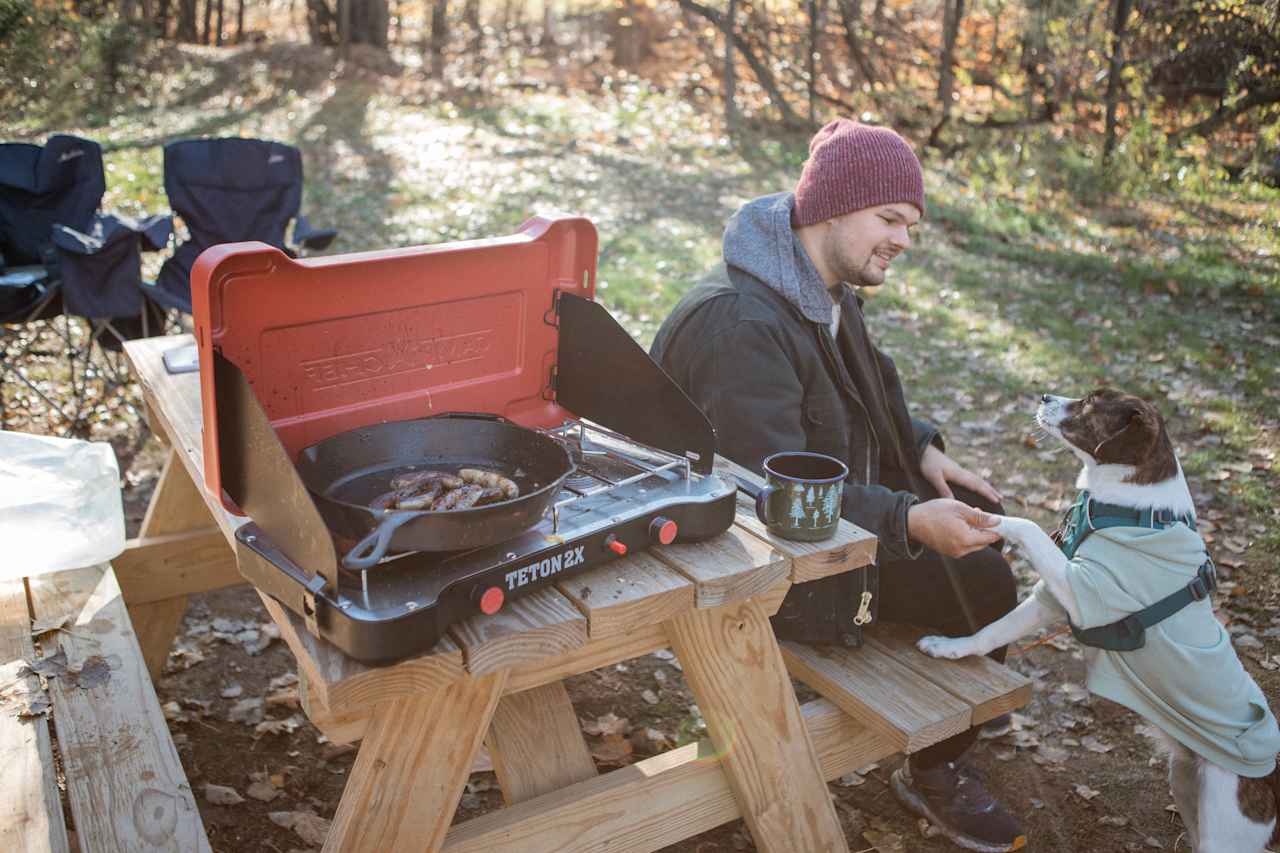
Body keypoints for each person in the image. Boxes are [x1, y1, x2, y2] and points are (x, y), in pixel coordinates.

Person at [649, 119, 1025, 853]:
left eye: (909, 224)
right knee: (986, 583)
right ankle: (936, 764)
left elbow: (871, 382)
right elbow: (775, 496)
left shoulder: (820, 282)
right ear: (831, 207)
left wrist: (922, 453)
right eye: (890, 219)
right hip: (765, 567)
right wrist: (911, 522)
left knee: (980, 522)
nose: (904, 240)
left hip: (818, 518)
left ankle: (960, 694)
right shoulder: (744, 325)